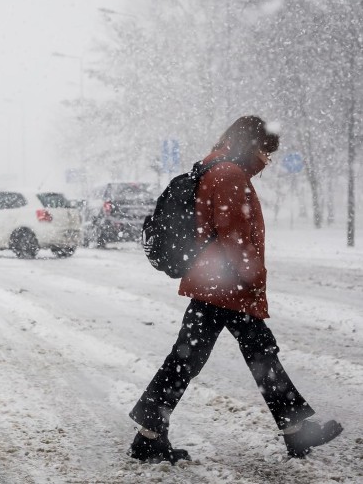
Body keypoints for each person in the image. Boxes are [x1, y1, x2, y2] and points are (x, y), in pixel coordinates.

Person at [128, 116, 343, 463]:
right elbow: (237, 238)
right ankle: (293, 430)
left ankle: (149, 435)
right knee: (233, 355)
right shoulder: (229, 175)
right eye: (266, 153)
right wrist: (253, 280)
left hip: (215, 281)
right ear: (252, 145)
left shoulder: (215, 166)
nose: (267, 161)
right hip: (225, 283)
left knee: (201, 356)